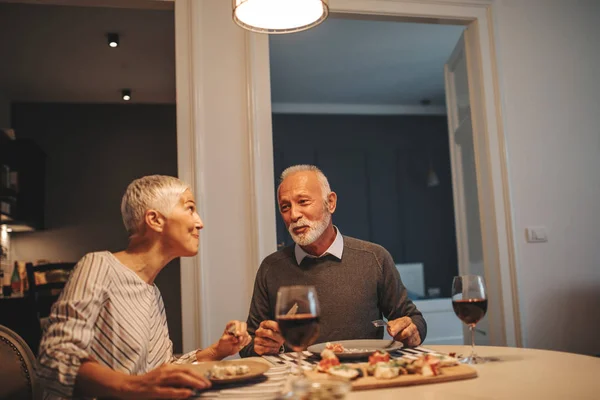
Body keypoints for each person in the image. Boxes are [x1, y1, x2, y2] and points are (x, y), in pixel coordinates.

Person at [37, 175, 251, 399]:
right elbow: (55, 355)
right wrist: (134, 387)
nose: (200, 222)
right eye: (190, 208)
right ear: (155, 220)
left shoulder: (152, 292)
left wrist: (217, 351)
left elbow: (158, 371)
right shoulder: (98, 266)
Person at [240, 165, 426, 358]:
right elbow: (249, 345)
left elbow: (413, 319)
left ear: (330, 203)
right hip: (300, 381)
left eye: (303, 202)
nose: (294, 215)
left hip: (363, 377)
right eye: (285, 207)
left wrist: (412, 331)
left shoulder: (374, 258)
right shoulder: (271, 268)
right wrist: (262, 346)